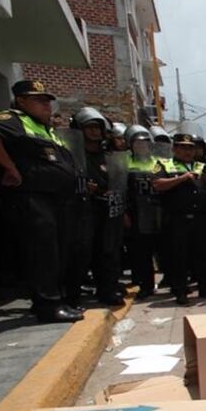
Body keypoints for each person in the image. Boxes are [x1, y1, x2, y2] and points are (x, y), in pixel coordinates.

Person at [0, 80, 84, 323]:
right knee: (42, 251)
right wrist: (10, 167)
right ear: (21, 101)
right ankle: (47, 305)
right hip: (33, 197)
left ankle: (56, 299)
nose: (46, 105)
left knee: (57, 251)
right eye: (39, 100)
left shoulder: (44, 128)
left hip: (57, 200)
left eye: (47, 100)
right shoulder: (12, 119)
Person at [152, 133, 206, 305]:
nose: (187, 151)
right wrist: (182, 178)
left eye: (190, 148)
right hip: (178, 219)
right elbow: (157, 184)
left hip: (201, 218)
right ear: (174, 148)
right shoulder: (164, 164)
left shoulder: (201, 166)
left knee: (204, 255)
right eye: (183, 147)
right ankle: (180, 291)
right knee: (180, 256)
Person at [73, 107, 125, 307]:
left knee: (108, 251)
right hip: (83, 209)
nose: (95, 132)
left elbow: (118, 181)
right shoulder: (74, 154)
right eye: (90, 127)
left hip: (107, 208)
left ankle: (107, 290)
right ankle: (73, 295)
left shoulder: (109, 155)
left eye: (98, 128)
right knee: (82, 252)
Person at [123, 125, 160, 300]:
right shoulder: (125, 163)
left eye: (144, 143)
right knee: (142, 253)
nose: (141, 146)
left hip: (158, 211)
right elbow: (120, 189)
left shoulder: (157, 163)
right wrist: (124, 212)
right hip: (137, 212)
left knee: (165, 249)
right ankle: (146, 285)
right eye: (137, 143)